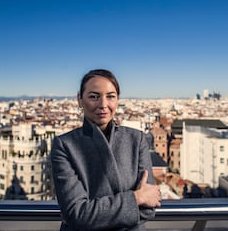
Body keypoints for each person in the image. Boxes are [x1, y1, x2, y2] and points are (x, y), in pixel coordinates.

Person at [50, 69, 161, 230]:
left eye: (110, 96)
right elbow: (76, 214)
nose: (103, 105)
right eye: (94, 97)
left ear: (117, 100)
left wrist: (96, 213)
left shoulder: (137, 140)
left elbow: (149, 209)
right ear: (80, 99)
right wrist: (136, 198)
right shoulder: (65, 145)